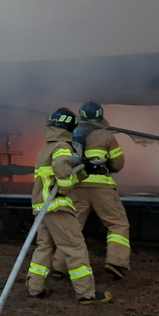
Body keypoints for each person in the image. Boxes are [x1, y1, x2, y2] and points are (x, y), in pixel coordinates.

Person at [26, 108, 109, 305]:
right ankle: (86, 294)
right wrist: (65, 189)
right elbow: (63, 174)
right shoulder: (63, 146)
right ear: (70, 127)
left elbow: (68, 172)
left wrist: (86, 168)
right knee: (75, 247)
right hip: (57, 207)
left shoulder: (46, 148)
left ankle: (35, 288)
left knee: (45, 247)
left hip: (42, 207)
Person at [52, 100, 129, 280]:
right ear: (100, 116)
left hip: (77, 186)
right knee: (117, 224)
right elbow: (118, 163)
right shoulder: (106, 136)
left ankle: (59, 266)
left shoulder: (70, 135)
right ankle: (116, 262)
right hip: (102, 187)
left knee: (73, 227)